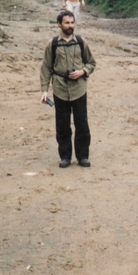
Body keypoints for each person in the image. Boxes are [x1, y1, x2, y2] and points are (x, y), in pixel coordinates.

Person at [40, 10, 96, 168]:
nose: (70, 26)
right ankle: (65, 156)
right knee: (62, 124)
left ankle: (83, 156)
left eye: (72, 23)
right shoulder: (53, 44)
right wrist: (44, 91)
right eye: (67, 23)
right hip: (60, 89)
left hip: (79, 89)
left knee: (82, 123)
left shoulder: (80, 42)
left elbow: (91, 63)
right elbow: (46, 68)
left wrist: (82, 72)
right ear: (59, 24)